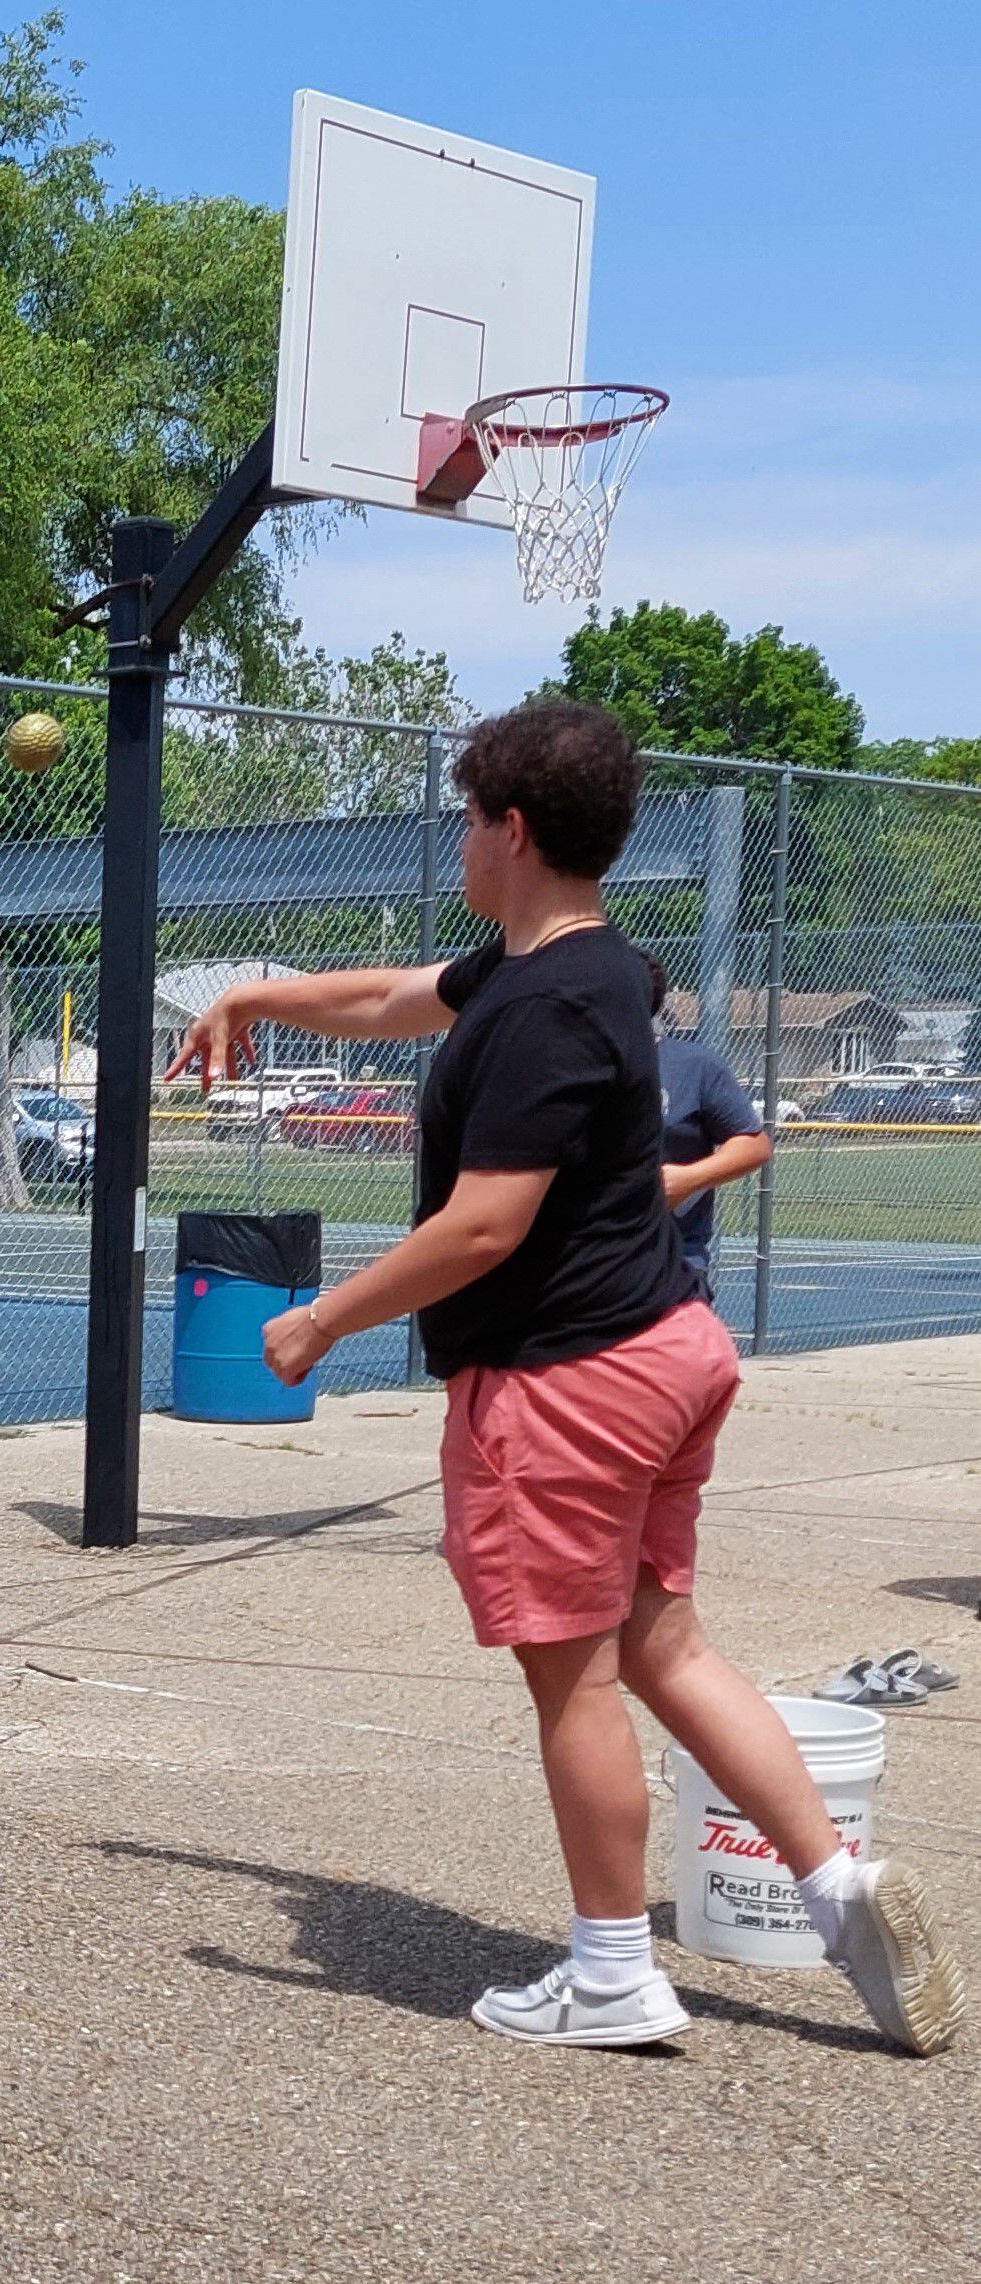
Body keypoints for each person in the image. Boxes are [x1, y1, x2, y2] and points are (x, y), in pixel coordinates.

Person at [168, 698, 960, 2054]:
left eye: (470, 817)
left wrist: (320, 1323)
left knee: (576, 1677)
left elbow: (485, 1225)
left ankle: (611, 1971)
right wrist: (246, 990)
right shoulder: (589, 969)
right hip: (668, 1353)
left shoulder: (538, 1013)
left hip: (569, 1383)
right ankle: (837, 1888)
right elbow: (382, 998)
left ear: (513, 830)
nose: (461, 839)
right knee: (662, 1639)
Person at [645, 951, 771, 1280]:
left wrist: (686, 1179)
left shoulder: (695, 1066)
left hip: (672, 1262)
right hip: (583, 1265)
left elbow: (753, 1145)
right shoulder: (573, 1065)